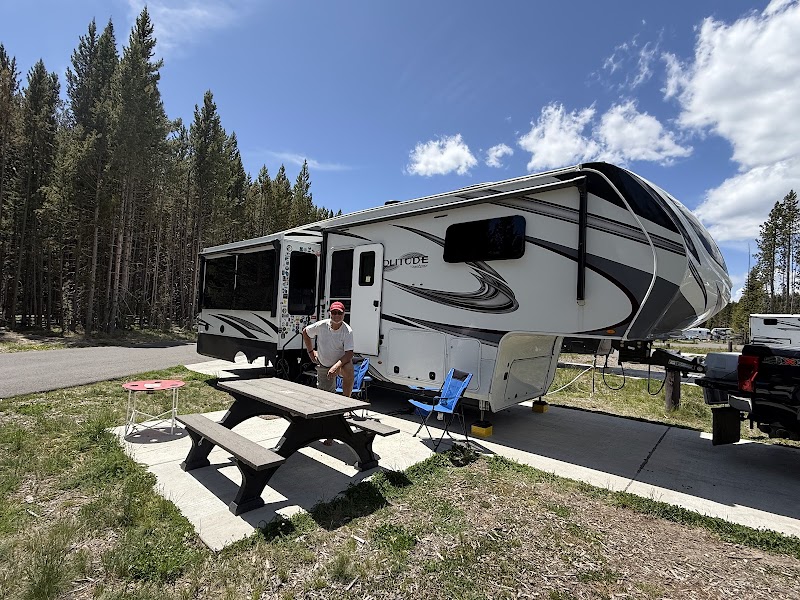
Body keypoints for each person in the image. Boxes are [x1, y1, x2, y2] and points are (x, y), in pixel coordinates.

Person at [302, 301, 355, 443]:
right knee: (325, 401)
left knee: (349, 369)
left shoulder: (347, 330)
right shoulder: (321, 325)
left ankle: (346, 404)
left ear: (344, 314)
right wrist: (310, 351)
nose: (337, 315)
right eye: (334, 312)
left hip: (340, 363)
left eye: (340, 313)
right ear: (330, 313)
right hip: (324, 365)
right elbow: (305, 333)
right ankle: (328, 434)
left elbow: (349, 354)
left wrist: (337, 365)